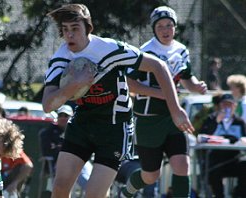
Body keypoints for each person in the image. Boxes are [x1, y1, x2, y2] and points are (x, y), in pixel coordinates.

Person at [42, 4, 194, 198]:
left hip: (115, 129)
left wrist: (176, 110)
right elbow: (48, 105)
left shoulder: (110, 49)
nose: (69, 35)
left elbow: (159, 66)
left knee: (94, 194)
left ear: (88, 28)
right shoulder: (61, 59)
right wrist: (76, 84)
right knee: (60, 187)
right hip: (82, 125)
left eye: (75, 28)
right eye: (65, 30)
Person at [121, 6, 207, 197]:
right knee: (151, 176)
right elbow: (129, 84)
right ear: (154, 29)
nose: (165, 30)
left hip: (173, 117)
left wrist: (196, 86)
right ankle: (126, 192)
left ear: (175, 27)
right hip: (149, 120)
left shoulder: (181, 50)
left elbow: (186, 78)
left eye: (169, 25)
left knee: (182, 166)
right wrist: (159, 93)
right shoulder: (145, 52)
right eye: (160, 26)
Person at [39, 104, 93, 197]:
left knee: (92, 183)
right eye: (60, 115)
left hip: (83, 161)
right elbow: (47, 150)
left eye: (66, 116)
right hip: (60, 162)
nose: (63, 118)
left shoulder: (80, 131)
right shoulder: (49, 132)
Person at [199, 93, 246, 197]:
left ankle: (238, 194)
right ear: (220, 106)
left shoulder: (240, 122)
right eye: (224, 104)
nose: (227, 107)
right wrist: (216, 121)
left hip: (234, 158)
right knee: (213, 174)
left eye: (230, 105)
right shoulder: (211, 119)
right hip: (215, 160)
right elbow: (202, 136)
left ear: (235, 106)